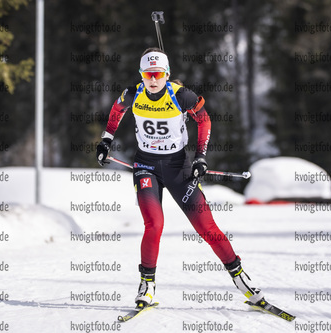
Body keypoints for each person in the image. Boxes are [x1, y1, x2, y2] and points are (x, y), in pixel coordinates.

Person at [96, 47, 264, 308]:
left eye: (158, 74)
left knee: (207, 228)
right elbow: (116, 112)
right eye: (148, 74)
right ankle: (147, 285)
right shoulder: (133, 93)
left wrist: (200, 157)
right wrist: (106, 141)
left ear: (167, 74)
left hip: (178, 167)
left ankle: (241, 279)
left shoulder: (182, 96)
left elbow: (204, 121)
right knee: (155, 224)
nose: (153, 79)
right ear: (141, 75)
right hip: (146, 166)